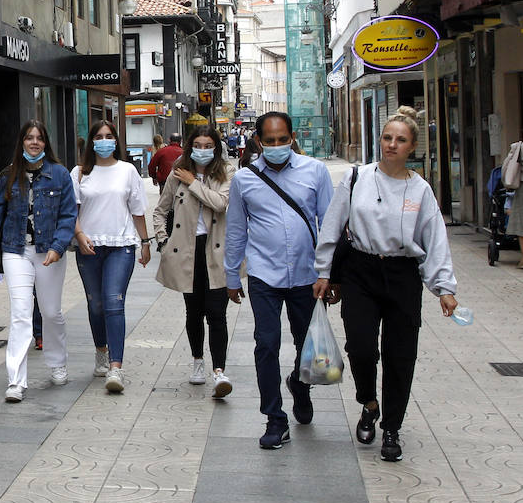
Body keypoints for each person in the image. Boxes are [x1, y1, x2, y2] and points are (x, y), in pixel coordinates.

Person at [313, 106, 458, 462]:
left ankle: (392, 427)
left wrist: (444, 287)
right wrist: (323, 270)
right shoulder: (357, 178)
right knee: (361, 347)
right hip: (361, 272)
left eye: (401, 140)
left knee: (400, 354)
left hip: (402, 275)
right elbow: (333, 225)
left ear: (412, 147)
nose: (392, 145)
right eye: (387, 137)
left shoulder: (420, 190)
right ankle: (369, 403)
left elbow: (434, 238)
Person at [224, 111, 332, 450]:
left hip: (306, 276)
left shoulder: (315, 171)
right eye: (269, 141)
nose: (276, 146)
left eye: (282, 139)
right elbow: (237, 229)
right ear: (258, 141)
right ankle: (275, 418)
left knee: (307, 347)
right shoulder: (245, 179)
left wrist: (330, 273)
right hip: (263, 275)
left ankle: (300, 386)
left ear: (292, 137)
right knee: (266, 345)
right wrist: (231, 274)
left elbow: (328, 225)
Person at [0, 120, 78, 402]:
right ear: (21, 142)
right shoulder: (8, 176)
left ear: (46, 143)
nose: (34, 143)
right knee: (21, 314)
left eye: (39, 138)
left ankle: (57, 362)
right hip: (15, 251)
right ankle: (16, 381)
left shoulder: (59, 175)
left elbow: (69, 215)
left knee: (50, 312)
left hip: (49, 253)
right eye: (29, 138)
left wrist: (58, 247)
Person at [72, 120, 152, 394]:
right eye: (99, 136)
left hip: (121, 245)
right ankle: (101, 351)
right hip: (88, 247)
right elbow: (71, 211)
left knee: (114, 303)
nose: (104, 141)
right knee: (96, 306)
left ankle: (116, 367)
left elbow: (138, 209)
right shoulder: (80, 173)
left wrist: (145, 242)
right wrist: (79, 235)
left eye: (109, 136)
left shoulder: (128, 170)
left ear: (116, 140)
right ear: (91, 141)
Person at [155, 126, 233, 398]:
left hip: (216, 251)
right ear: (190, 147)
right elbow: (161, 209)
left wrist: (193, 182)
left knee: (217, 314)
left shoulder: (226, 172)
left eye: (208, 144)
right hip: (187, 251)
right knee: (194, 311)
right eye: (197, 144)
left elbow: (220, 203)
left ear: (216, 147)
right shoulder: (178, 171)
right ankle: (198, 361)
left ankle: (219, 371)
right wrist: (163, 241)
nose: (203, 149)